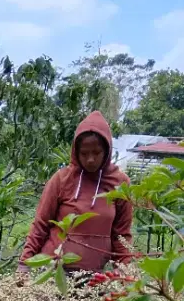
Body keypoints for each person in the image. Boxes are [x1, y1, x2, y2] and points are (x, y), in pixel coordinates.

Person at [20, 110, 133, 274]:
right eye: (84, 153)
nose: (90, 159)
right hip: (52, 269)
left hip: (93, 277)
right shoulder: (62, 179)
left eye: (96, 153)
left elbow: (122, 236)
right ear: (76, 152)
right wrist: (24, 264)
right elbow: (40, 225)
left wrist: (125, 272)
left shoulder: (120, 183)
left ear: (107, 151)